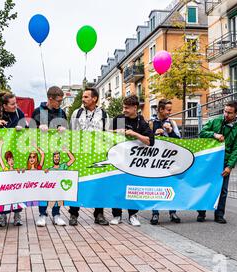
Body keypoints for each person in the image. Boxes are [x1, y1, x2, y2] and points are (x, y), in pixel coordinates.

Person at [110, 95, 155, 227]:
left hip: (134, 163)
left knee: (132, 189)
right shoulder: (119, 119)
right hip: (118, 160)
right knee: (117, 188)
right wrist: (115, 132)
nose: (124, 110)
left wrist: (135, 134)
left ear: (135, 108)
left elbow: (150, 141)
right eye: (123, 107)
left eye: (127, 108)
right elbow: (105, 134)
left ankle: (132, 215)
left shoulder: (141, 122)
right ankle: (116, 215)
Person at [68, 87, 110, 226]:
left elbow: (107, 134)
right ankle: (73, 214)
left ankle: (99, 214)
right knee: (77, 184)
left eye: (86, 97)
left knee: (99, 184)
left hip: (98, 154)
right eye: (83, 97)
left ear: (94, 99)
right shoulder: (77, 113)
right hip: (80, 154)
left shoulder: (104, 114)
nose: (83, 99)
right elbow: (72, 132)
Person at [197, 101, 237, 224]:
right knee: (206, 186)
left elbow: (236, 150)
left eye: (229, 112)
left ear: (236, 114)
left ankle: (219, 214)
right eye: (225, 111)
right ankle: (201, 212)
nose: (226, 114)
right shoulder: (216, 121)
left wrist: (230, 166)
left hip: (224, 162)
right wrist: (214, 135)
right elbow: (202, 133)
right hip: (210, 160)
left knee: (223, 190)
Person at [0, 93, 27, 227]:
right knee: (2, 185)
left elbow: (27, 130)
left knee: (16, 185)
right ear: (4, 105)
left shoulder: (19, 113)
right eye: (12, 104)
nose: (16, 106)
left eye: (16, 103)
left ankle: (17, 214)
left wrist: (23, 129)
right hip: (1, 153)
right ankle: (2, 215)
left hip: (16, 154)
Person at [31, 86, 68, 227]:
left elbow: (68, 132)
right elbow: (29, 133)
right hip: (42, 154)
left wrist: (64, 128)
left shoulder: (62, 112)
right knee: (43, 186)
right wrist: (37, 128)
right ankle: (42, 214)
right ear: (50, 99)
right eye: (58, 101)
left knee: (58, 185)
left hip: (57, 154)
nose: (60, 103)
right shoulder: (38, 111)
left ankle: (57, 214)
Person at [149, 99, 181, 225]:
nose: (170, 112)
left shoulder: (172, 123)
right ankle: (155, 214)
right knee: (156, 187)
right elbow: (145, 140)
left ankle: (173, 212)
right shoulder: (151, 122)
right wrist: (153, 134)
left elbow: (179, 141)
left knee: (171, 185)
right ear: (160, 110)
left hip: (169, 160)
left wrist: (170, 132)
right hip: (155, 161)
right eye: (168, 110)